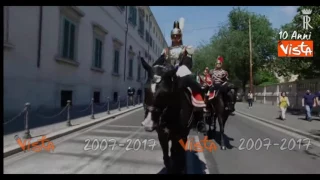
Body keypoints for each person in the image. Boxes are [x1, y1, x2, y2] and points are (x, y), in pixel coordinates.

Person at [152, 19, 207, 132]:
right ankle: (152, 115)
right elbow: (159, 62)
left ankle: (199, 118)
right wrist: (152, 69)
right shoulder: (166, 51)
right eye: (174, 36)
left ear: (180, 37)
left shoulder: (186, 49)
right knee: (154, 89)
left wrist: (179, 68)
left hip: (181, 73)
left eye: (177, 36)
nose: (176, 38)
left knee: (193, 85)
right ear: (171, 37)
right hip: (168, 73)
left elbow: (188, 63)